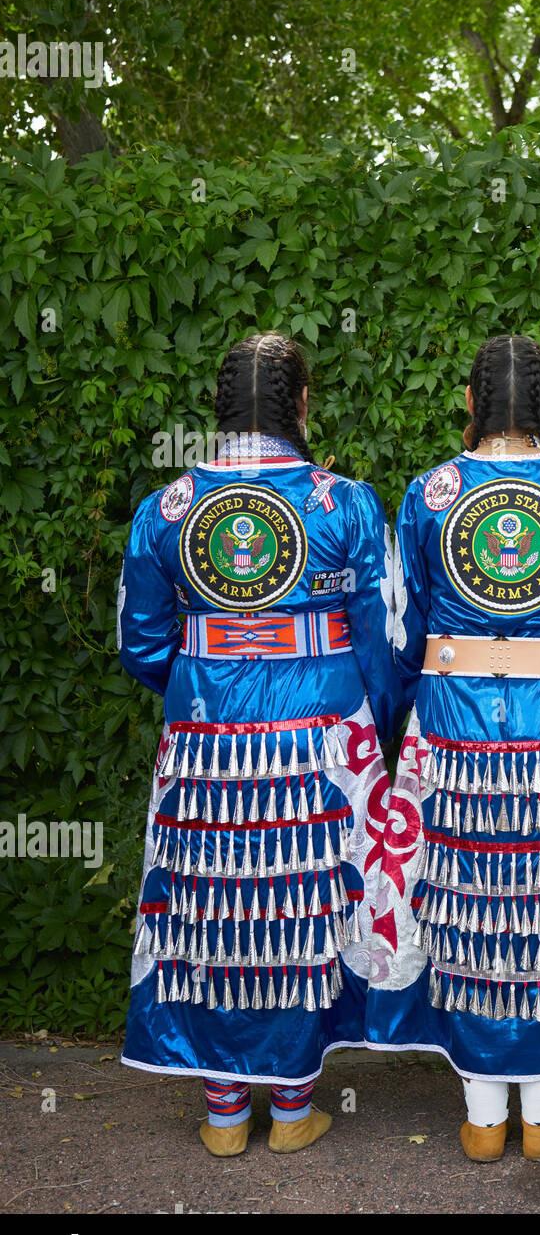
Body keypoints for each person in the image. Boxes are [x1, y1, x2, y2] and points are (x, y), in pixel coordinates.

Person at [365, 334, 540, 1163]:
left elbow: (403, 628)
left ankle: (483, 1116)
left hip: (453, 712)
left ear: (469, 401)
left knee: (469, 892)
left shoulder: (427, 494)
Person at [117, 332, 403, 1156]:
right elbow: (377, 641)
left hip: (208, 733)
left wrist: (202, 683)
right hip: (319, 727)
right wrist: (373, 723)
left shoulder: (166, 510)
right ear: (302, 405)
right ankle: (293, 1106)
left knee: (215, 907)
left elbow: (141, 643)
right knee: (304, 906)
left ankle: (222, 1112)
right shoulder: (343, 502)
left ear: (217, 407)